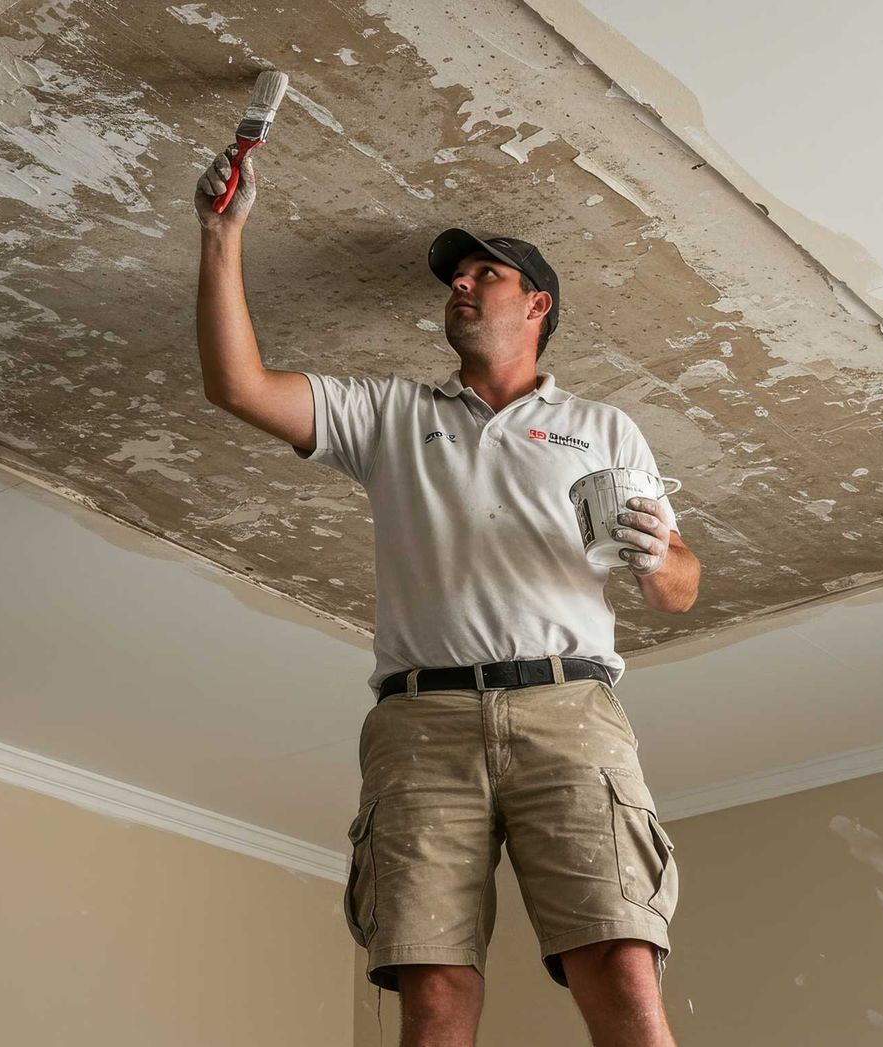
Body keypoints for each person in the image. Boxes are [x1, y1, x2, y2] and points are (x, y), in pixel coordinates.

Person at [193, 144, 699, 1047]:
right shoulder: (392, 415)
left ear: (536, 303)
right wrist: (221, 234)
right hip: (421, 723)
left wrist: (659, 556)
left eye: (485, 274)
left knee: (622, 964)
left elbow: (680, 587)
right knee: (433, 994)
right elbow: (238, 386)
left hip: (570, 705)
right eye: (455, 277)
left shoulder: (601, 428)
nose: (460, 286)